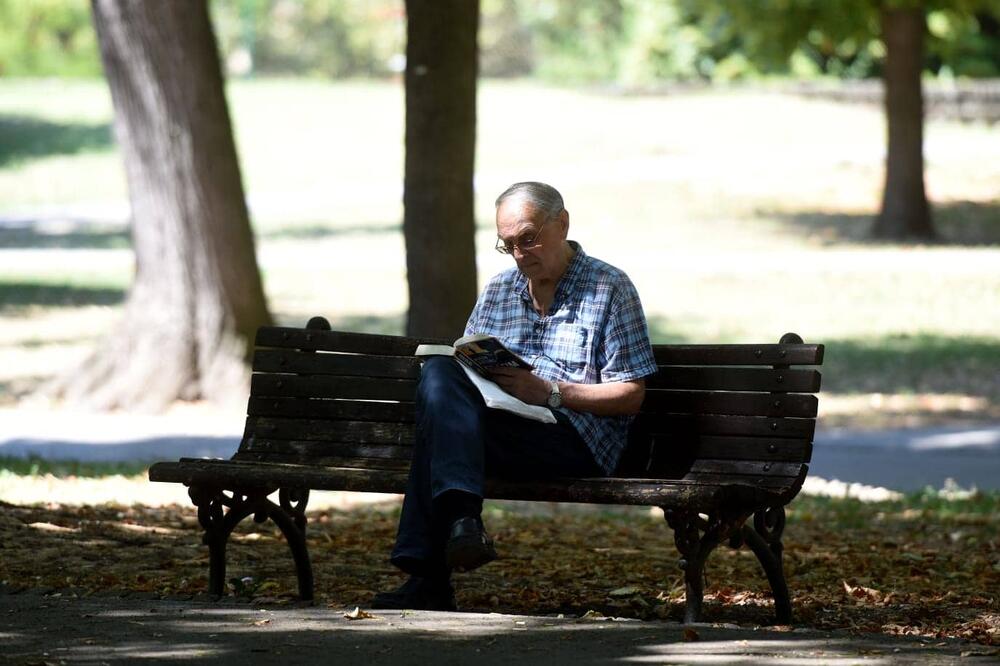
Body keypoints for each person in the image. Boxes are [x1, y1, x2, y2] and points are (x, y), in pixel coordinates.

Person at [372, 181, 658, 611]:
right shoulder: (500, 289)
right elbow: (465, 369)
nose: (521, 255)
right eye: (509, 246)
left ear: (561, 223)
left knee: (439, 436)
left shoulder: (609, 288)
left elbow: (632, 395)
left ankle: (430, 573)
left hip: (577, 440)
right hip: (501, 428)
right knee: (440, 371)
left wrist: (551, 393)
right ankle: (462, 522)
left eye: (528, 238)